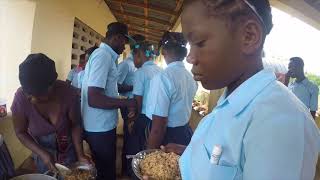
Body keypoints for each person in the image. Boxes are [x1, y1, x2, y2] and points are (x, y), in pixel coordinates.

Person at [158, 0, 320, 180]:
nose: (189, 58)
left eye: (200, 43)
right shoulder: (230, 102)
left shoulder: (282, 122)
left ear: (249, 36)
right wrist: (190, 156)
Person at [11, 53, 89, 173]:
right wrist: (42, 154)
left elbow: (75, 125)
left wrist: (80, 155)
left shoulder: (68, 93)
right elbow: (20, 132)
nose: (30, 98)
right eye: (28, 93)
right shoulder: (21, 98)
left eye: (36, 94)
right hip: (42, 156)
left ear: (51, 85)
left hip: (69, 152)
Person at [81, 22, 136, 180]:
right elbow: (94, 98)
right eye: (124, 42)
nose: (124, 47)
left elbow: (105, 90)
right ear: (117, 38)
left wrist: (122, 96)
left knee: (103, 169)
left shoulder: (105, 57)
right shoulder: (103, 57)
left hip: (100, 126)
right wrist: (127, 103)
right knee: (106, 172)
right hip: (99, 128)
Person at [146, 32, 197, 149]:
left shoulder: (162, 78)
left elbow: (158, 127)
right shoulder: (190, 77)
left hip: (166, 139)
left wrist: (149, 154)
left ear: (163, 51)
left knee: (159, 166)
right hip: (184, 134)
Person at [127, 41, 162, 177]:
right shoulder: (160, 71)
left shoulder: (141, 72)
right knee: (151, 152)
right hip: (157, 119)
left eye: (134, 56)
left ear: (140, 55)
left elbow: (137, 101)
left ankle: (136, 175)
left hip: (143, 118)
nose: (134, 61)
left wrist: (132, 120)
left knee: (136, 150)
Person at [117, 34, 145, 176]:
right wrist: (135, 87)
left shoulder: (141, 65)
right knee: (130, 138)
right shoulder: (125, 65)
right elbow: (116, 86)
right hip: (128, 105)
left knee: (135, 138)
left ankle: (133, 169)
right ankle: (125, 170)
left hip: (137, 104)